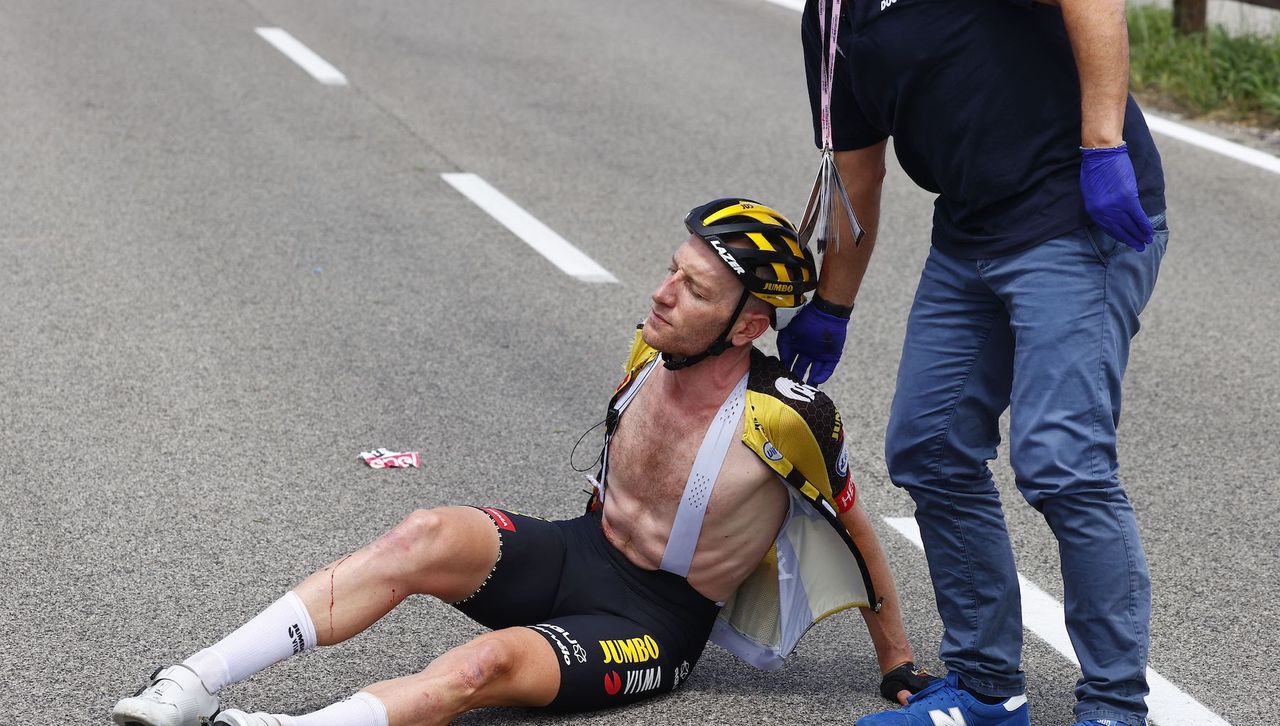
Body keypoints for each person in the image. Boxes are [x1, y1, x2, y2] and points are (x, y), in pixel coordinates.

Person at [112, 198, 935, 726]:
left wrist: (896, 661)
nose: (660, 293)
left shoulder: (786, 420)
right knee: (422, 534)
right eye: (670, 271)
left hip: (652, 625)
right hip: (581, 551)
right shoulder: (649, 354)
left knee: (481, 668)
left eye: (692, 289)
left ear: (747, 326)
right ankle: (188, 681)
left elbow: (857, 533)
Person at [782, 2, 1169, 726]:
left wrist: (1103, 144)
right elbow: (857, 174)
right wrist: (832, 307)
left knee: (1062, 460)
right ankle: (988, 689)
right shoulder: (834, 16)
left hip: (1079, 209)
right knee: (928, 447)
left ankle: (1117, 706)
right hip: (972, 229)